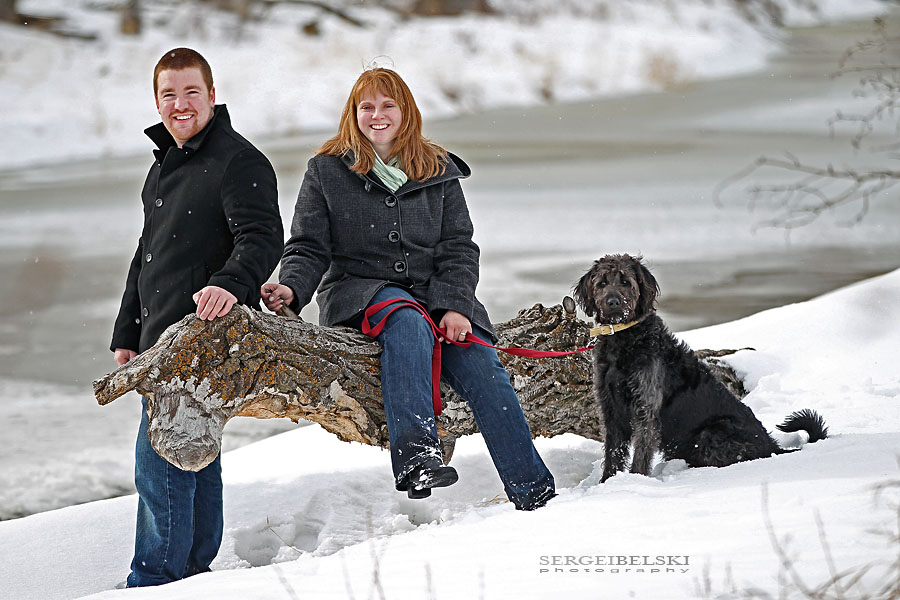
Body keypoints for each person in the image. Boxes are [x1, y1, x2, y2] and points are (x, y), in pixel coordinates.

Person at [261, 67, 555, 511]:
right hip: (361, 292)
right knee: (406, 321)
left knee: (484, 366)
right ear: (353, 113)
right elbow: (308, 246)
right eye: (367, 107)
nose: (377, 115)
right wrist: (291, 288)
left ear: (406, 112)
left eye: (387, 105)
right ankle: (417, 457)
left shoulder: (438, 168)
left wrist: (455, 306)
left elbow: (458, 247)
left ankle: (535, 492)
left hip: (436, 294)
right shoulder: (326, 171)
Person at [110, 47, 283, 586]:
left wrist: (230, 285)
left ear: (211, 94)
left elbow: (261, 238)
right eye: (169, 94)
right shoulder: (163, 164)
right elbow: (148, 255)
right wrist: (127, 330)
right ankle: (194, 570)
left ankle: (156, 578)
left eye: (191, 92)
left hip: (205, 336)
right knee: (194, 455)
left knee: (159, 460)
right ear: (157, 100)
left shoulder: (238, 159)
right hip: (160, 336)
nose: (180, 104)